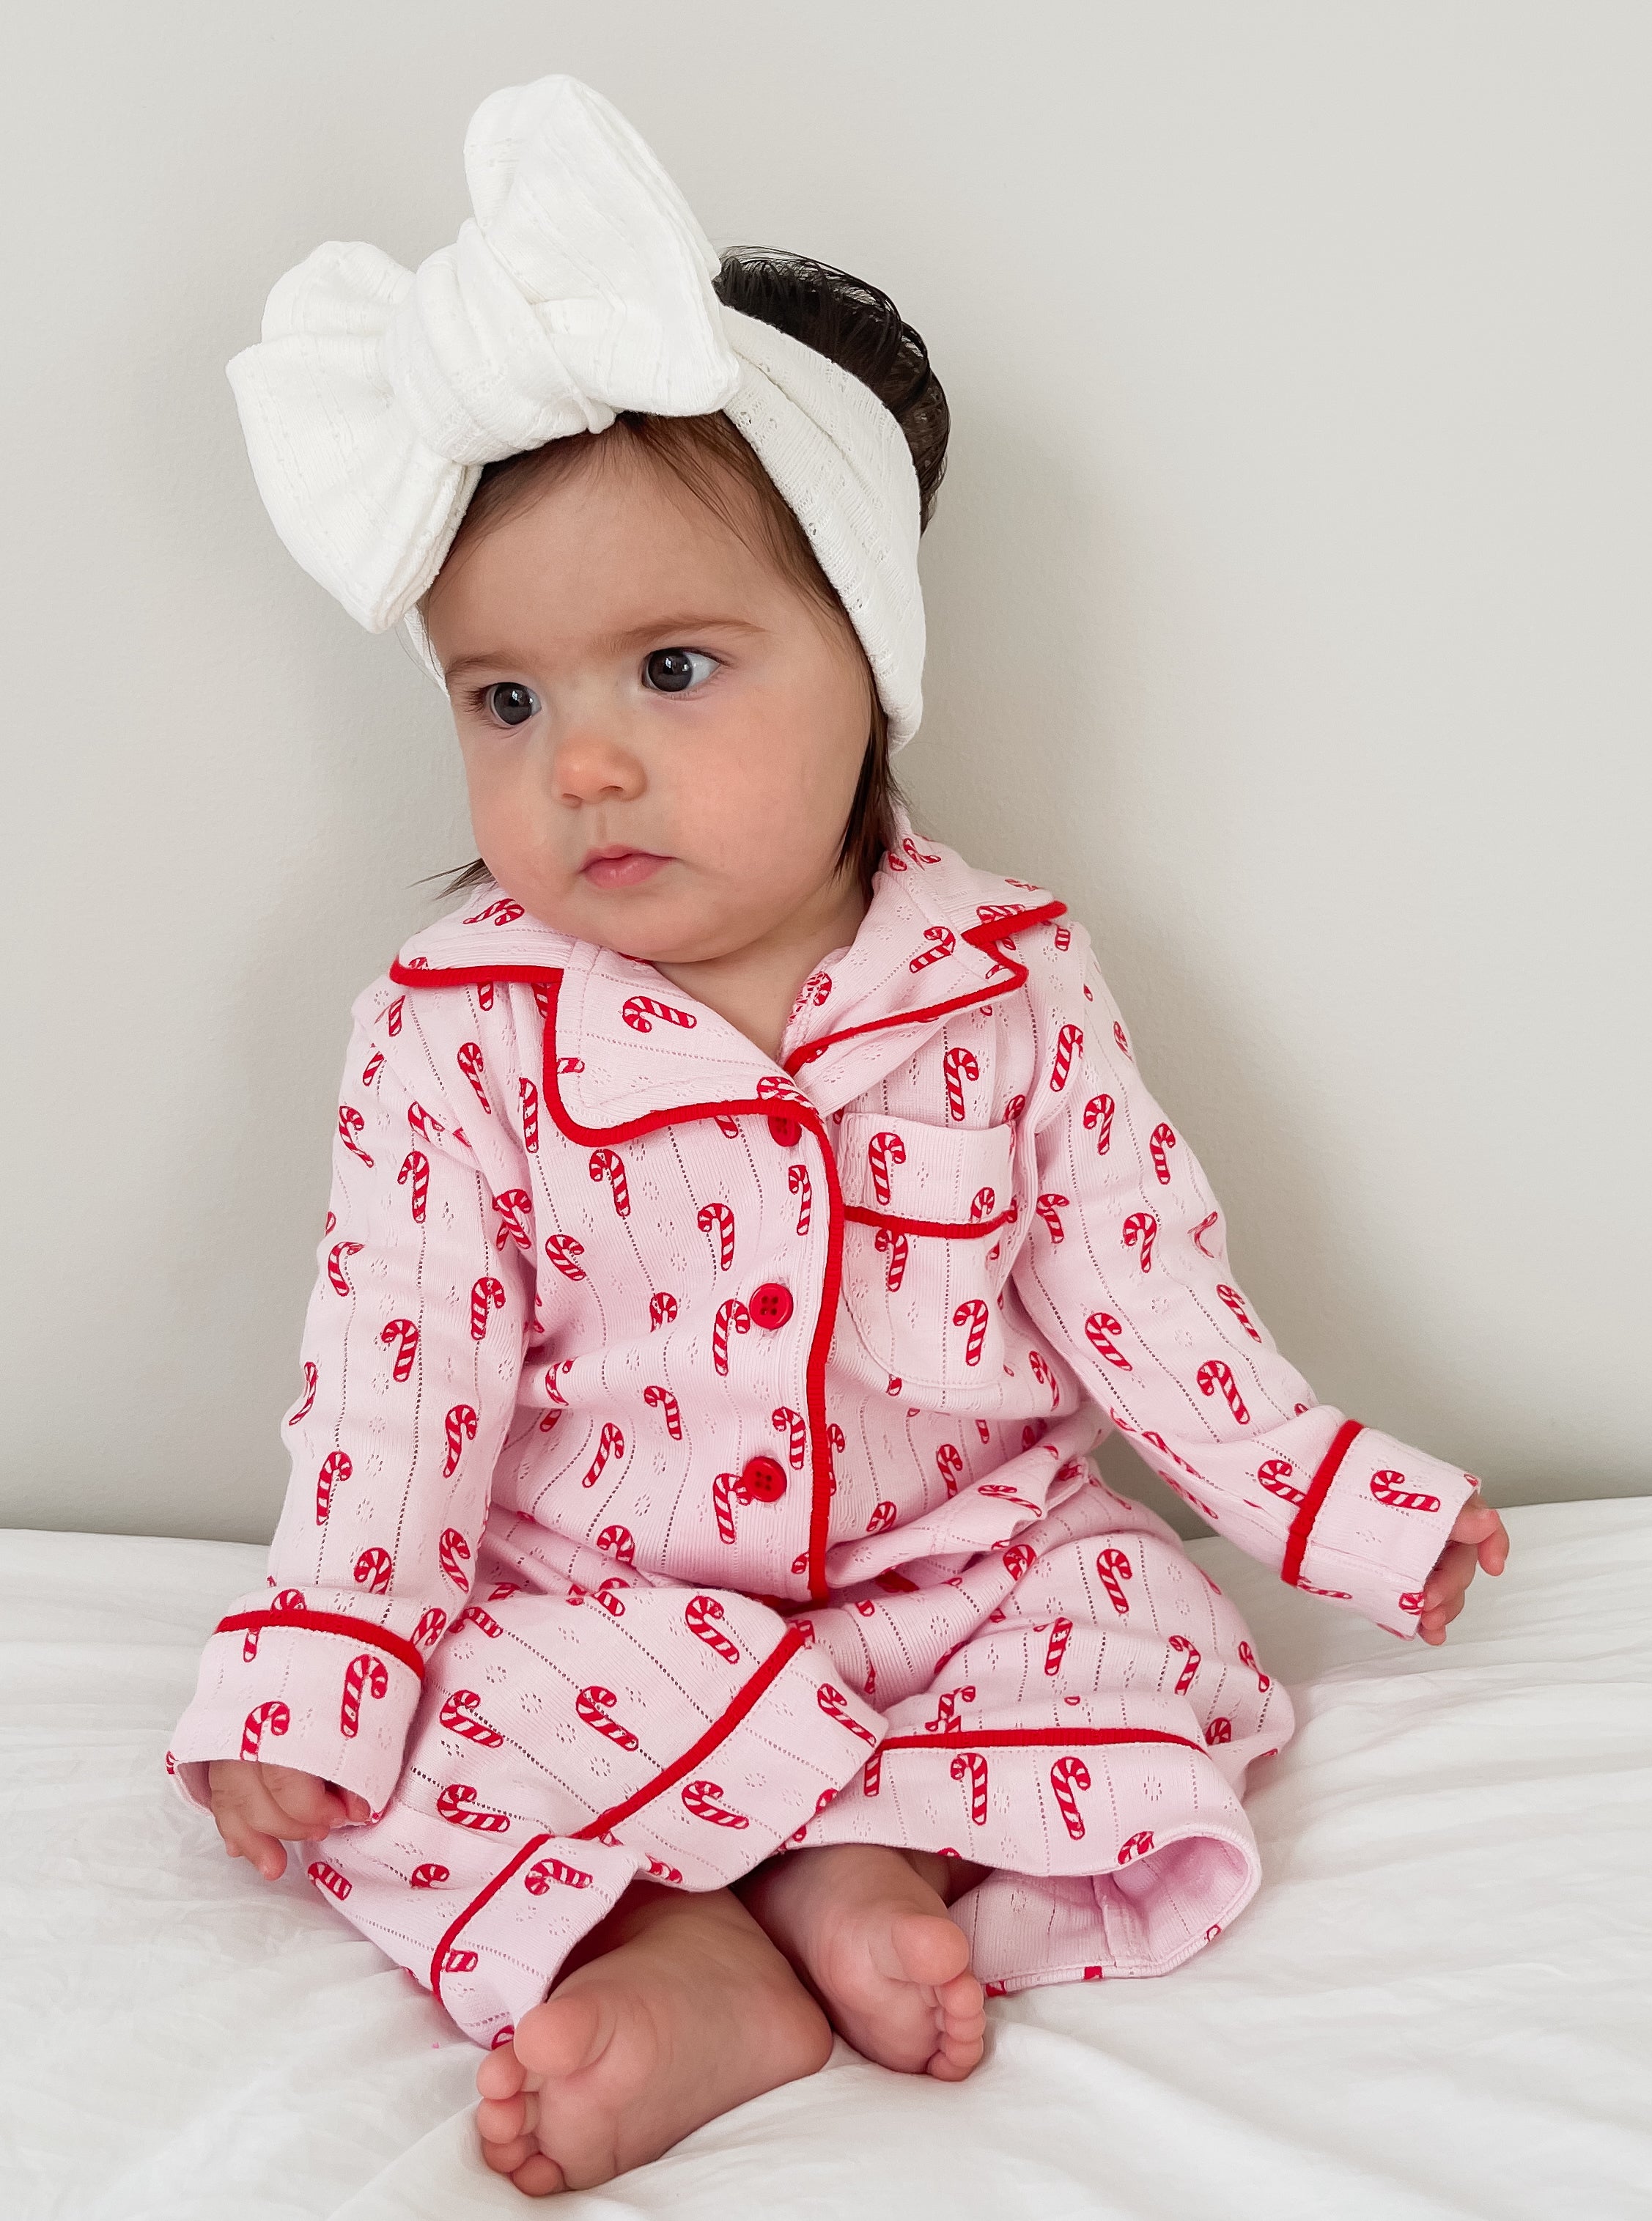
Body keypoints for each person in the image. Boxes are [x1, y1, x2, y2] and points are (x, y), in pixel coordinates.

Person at [168, 74, 1511, 2198]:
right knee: (416, 1752)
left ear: (866, 673)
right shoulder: (455, 1028)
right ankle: (701, 1948)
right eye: (504, 701)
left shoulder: (1003, 977)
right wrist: (326, 1657)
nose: (582, 764)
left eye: (672, 668)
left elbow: (1141, 1295)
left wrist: (1338, 1504)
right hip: (596, 1598)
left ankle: (860, 1859)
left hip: (954, 1578)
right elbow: (396, 1378)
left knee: (1135, 1654)